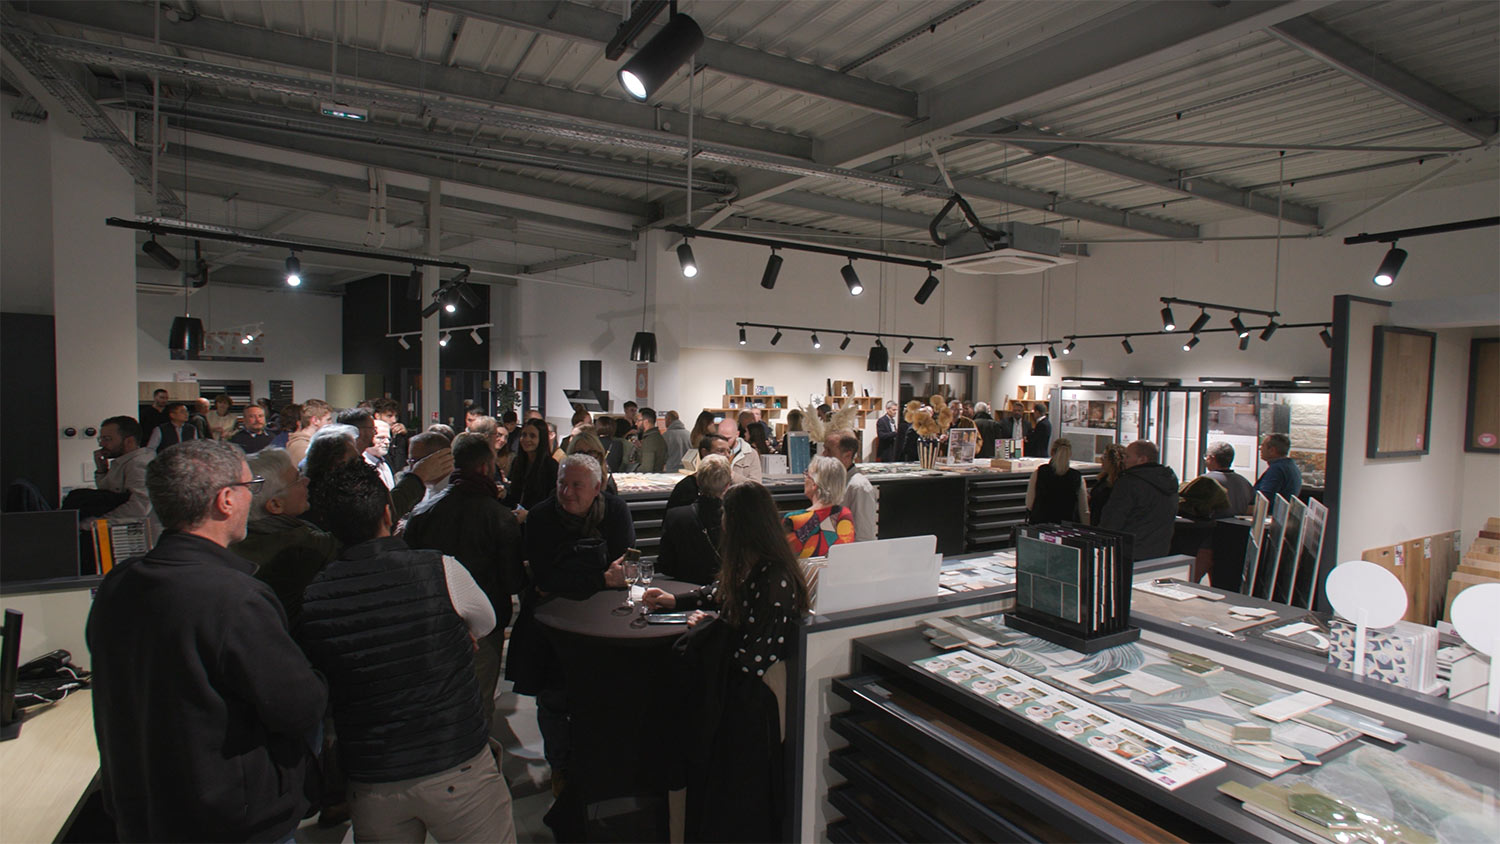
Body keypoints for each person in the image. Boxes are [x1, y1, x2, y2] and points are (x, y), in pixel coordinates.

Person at [87, 440, 327, 842]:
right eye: (253, 486)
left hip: (145, 809)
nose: (256, 496)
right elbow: (299, 706)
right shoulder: (235, 598)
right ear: (226, 499)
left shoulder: (120, 583)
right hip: (229, 820)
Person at [296, 462, 517, 844]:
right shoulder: (439, 569)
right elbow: (486, 622)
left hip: (373, 777)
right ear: (387, 512)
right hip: (454, 761)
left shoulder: (316, 596)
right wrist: (453, 631)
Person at [642, 482, 810, 842]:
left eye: (725, 516)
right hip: (736, 692)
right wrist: (678, 602)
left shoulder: (774, 580)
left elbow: (750, 660)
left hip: (749, 708)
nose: (720, 523)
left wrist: (709, 629)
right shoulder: (754, 567)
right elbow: (718, 594)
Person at [504, 455, 632, 836]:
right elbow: (543, 578)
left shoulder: (616, 511)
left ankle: (596, 766)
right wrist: (599, 577)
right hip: (551, 628)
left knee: (598, 697)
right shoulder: (542, 517)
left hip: (603, 624)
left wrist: (577, 577)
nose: (567, 492)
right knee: (554, 700)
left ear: (597, 488)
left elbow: (623, 566)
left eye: (577, 485)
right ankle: (560, 767)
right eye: (562, 483)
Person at [402, 433, 523, 729]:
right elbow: (511, 582)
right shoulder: (500, 517)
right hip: (484, 625)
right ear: (485, 468)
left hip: (434, 625)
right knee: (478, 707)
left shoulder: (422, 513)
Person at [231, 447, 339, 621]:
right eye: (297, 478)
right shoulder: (303, 545)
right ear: (275, 504)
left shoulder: (232, 543)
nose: (306, 480)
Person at [1099, 440, 1179, 560]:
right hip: (1159, 551)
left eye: (1127, 456)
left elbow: (1113, 521)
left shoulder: (1129, 483)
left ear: (1142, 459)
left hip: (1128, 553)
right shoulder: (1169, 482)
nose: (1123, 460)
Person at [657, 455, 731, 585]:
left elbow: (666, 565)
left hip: (683, 588)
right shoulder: (738, 518)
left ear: (697, 481)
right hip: (725, 589)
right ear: (727, 485)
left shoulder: (675, 516)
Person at [783, 455, 855, 558]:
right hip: (836, 573)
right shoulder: (844, 515)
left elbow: (782, 558)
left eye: (806, 475)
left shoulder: (793, 519)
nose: (804, 479)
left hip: (803, 574)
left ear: (814, 484)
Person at [92, 416, 155, 525]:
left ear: (129, 441)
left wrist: (98, 522)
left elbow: (139, 507)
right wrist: (101, 471)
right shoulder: (121, 462)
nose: (101, 444)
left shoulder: (138, 464)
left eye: (107, 439)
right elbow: (106, 492)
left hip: (136, 534)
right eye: (101, 439)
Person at [824, 430, 877, 542]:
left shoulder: (859, 487)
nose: (824, 455)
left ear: (847, 455)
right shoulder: (834, 480)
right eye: (824, 449)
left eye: (829, 451)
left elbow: (864, 537)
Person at [1026, 437, 1090, 524]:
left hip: (1040, 526)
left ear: (1052, 452)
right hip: (1066, 529)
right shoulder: (1077, 477)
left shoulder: (1039, 472)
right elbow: (1084, 511)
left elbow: (1029, 504)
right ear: (1070, 454)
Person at [503, 418, 559, 513]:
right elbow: (514, 496)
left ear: (541, 439)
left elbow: (551, 501)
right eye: (524, 435)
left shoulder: (551, 466)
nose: (526, 439)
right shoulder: (517, 462)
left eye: (532, 436)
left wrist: (529, 515)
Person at [670, 434, 733, 508]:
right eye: (721, 451)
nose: (727, 455)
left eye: (729, 451)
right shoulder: (686, 487)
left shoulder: (732, 484)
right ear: (705, 453)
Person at [1203, 441, 1254, 516]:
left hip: (1214, 526)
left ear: (1211, 458)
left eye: (1206, 457)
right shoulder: (1244, 482)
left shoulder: (1204, 481)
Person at [1254, 433, 1303, 500]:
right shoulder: (1289, 465)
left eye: (1263, 446)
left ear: (1272, 450)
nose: (1260, 449)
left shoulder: (1277, 469)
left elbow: (1264, 499)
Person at [1089, 443, 1126, 526]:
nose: (1101, 458)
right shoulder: (1103, 479)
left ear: (1114, 461)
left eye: (1105, 456)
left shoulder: (1120, 484)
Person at [717, 418, 763, 484]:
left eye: (728, 438)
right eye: (721, 438)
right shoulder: (712, 451)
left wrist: (732, 476)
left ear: (737, 434)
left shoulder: (750, 454)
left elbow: (756, 485)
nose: (724, 442)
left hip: (740, 493)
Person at [286, 399, 332, 464]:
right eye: (328, 420)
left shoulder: (308, 443)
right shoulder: (303, 448)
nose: (331, 423)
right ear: (315, 420)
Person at [372, 397, 409, 472]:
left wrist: (406, 435)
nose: (394, 420)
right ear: (377, 416)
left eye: (396, 416)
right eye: (389, 416)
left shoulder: (399, 435)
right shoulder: (371, 435)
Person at [364, 418, 396, 489]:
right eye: (381, 438)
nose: (387, 442)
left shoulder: (385, 464)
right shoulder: (362, 464)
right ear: (368, 437)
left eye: (389, 439)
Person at [636, 406, 667, 472]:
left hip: (648, 480)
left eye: (638, 420)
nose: (636, 423)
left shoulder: (650, 440)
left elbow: (646, 468)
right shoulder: (658, 437)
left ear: (646, 421)